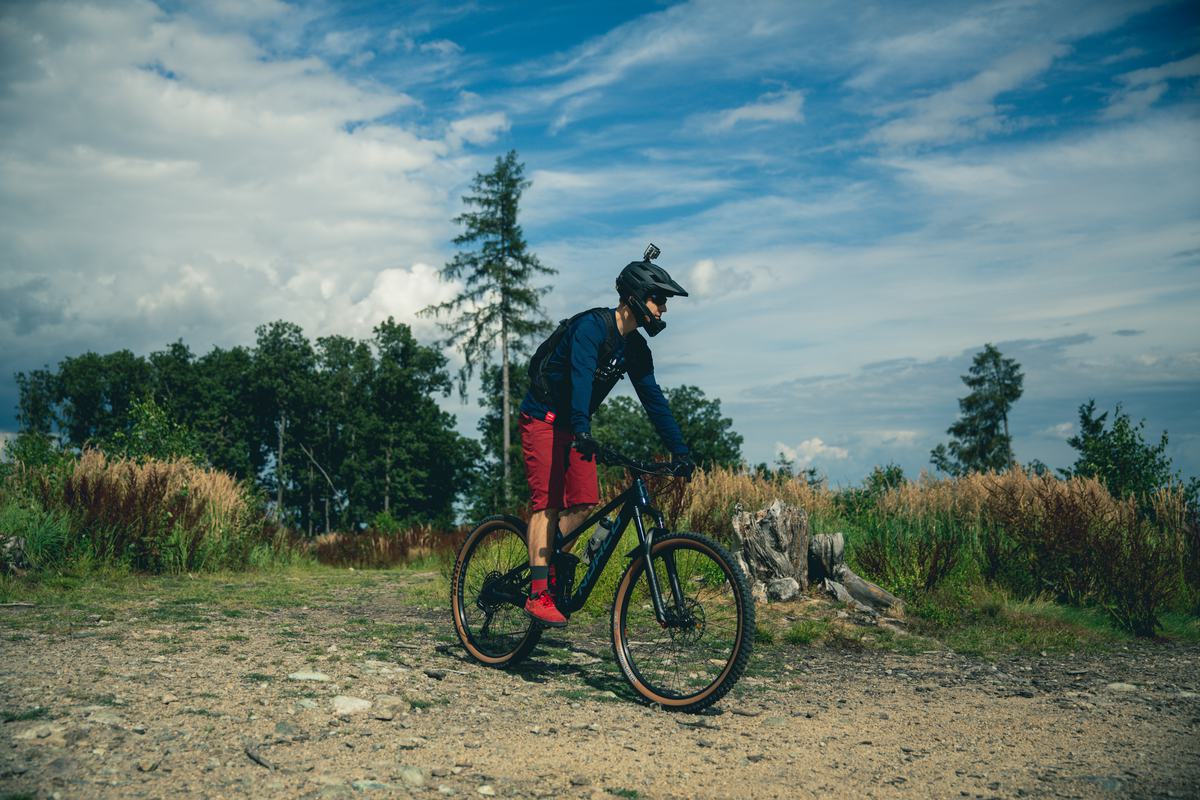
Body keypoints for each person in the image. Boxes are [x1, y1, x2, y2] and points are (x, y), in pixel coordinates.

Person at [518, 249, 695, 626]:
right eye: (658, 299)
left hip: (576, 426)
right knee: (546, 504)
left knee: (584, 503)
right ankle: (537, 592)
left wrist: (681, 451)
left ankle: (548, 563)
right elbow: (581, 378)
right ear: (635, 297)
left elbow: (653, 400)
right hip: (544, 416)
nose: (663, 309)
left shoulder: (635, 348)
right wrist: (582, 427)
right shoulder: (591, 329)